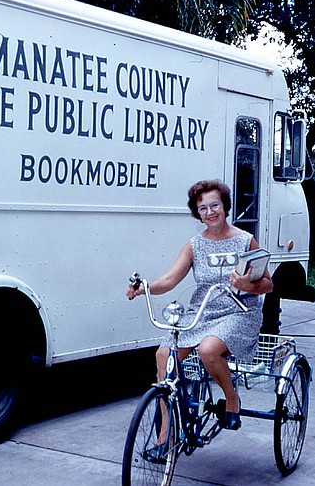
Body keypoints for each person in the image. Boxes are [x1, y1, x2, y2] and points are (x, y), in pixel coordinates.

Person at [126, 179, 272, 443]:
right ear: (197, 213)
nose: (210, 212)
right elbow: (170, 280)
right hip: (202, 312)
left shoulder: (245, 240)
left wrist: (247, 284)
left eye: (214, 205)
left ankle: (231, 397)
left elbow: (268, 284)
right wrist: (144, 287)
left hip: (238, 311)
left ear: (224, 206)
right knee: (163, 354)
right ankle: (166, 432)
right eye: (203, 208)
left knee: (208, 350)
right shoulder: (195, 244)